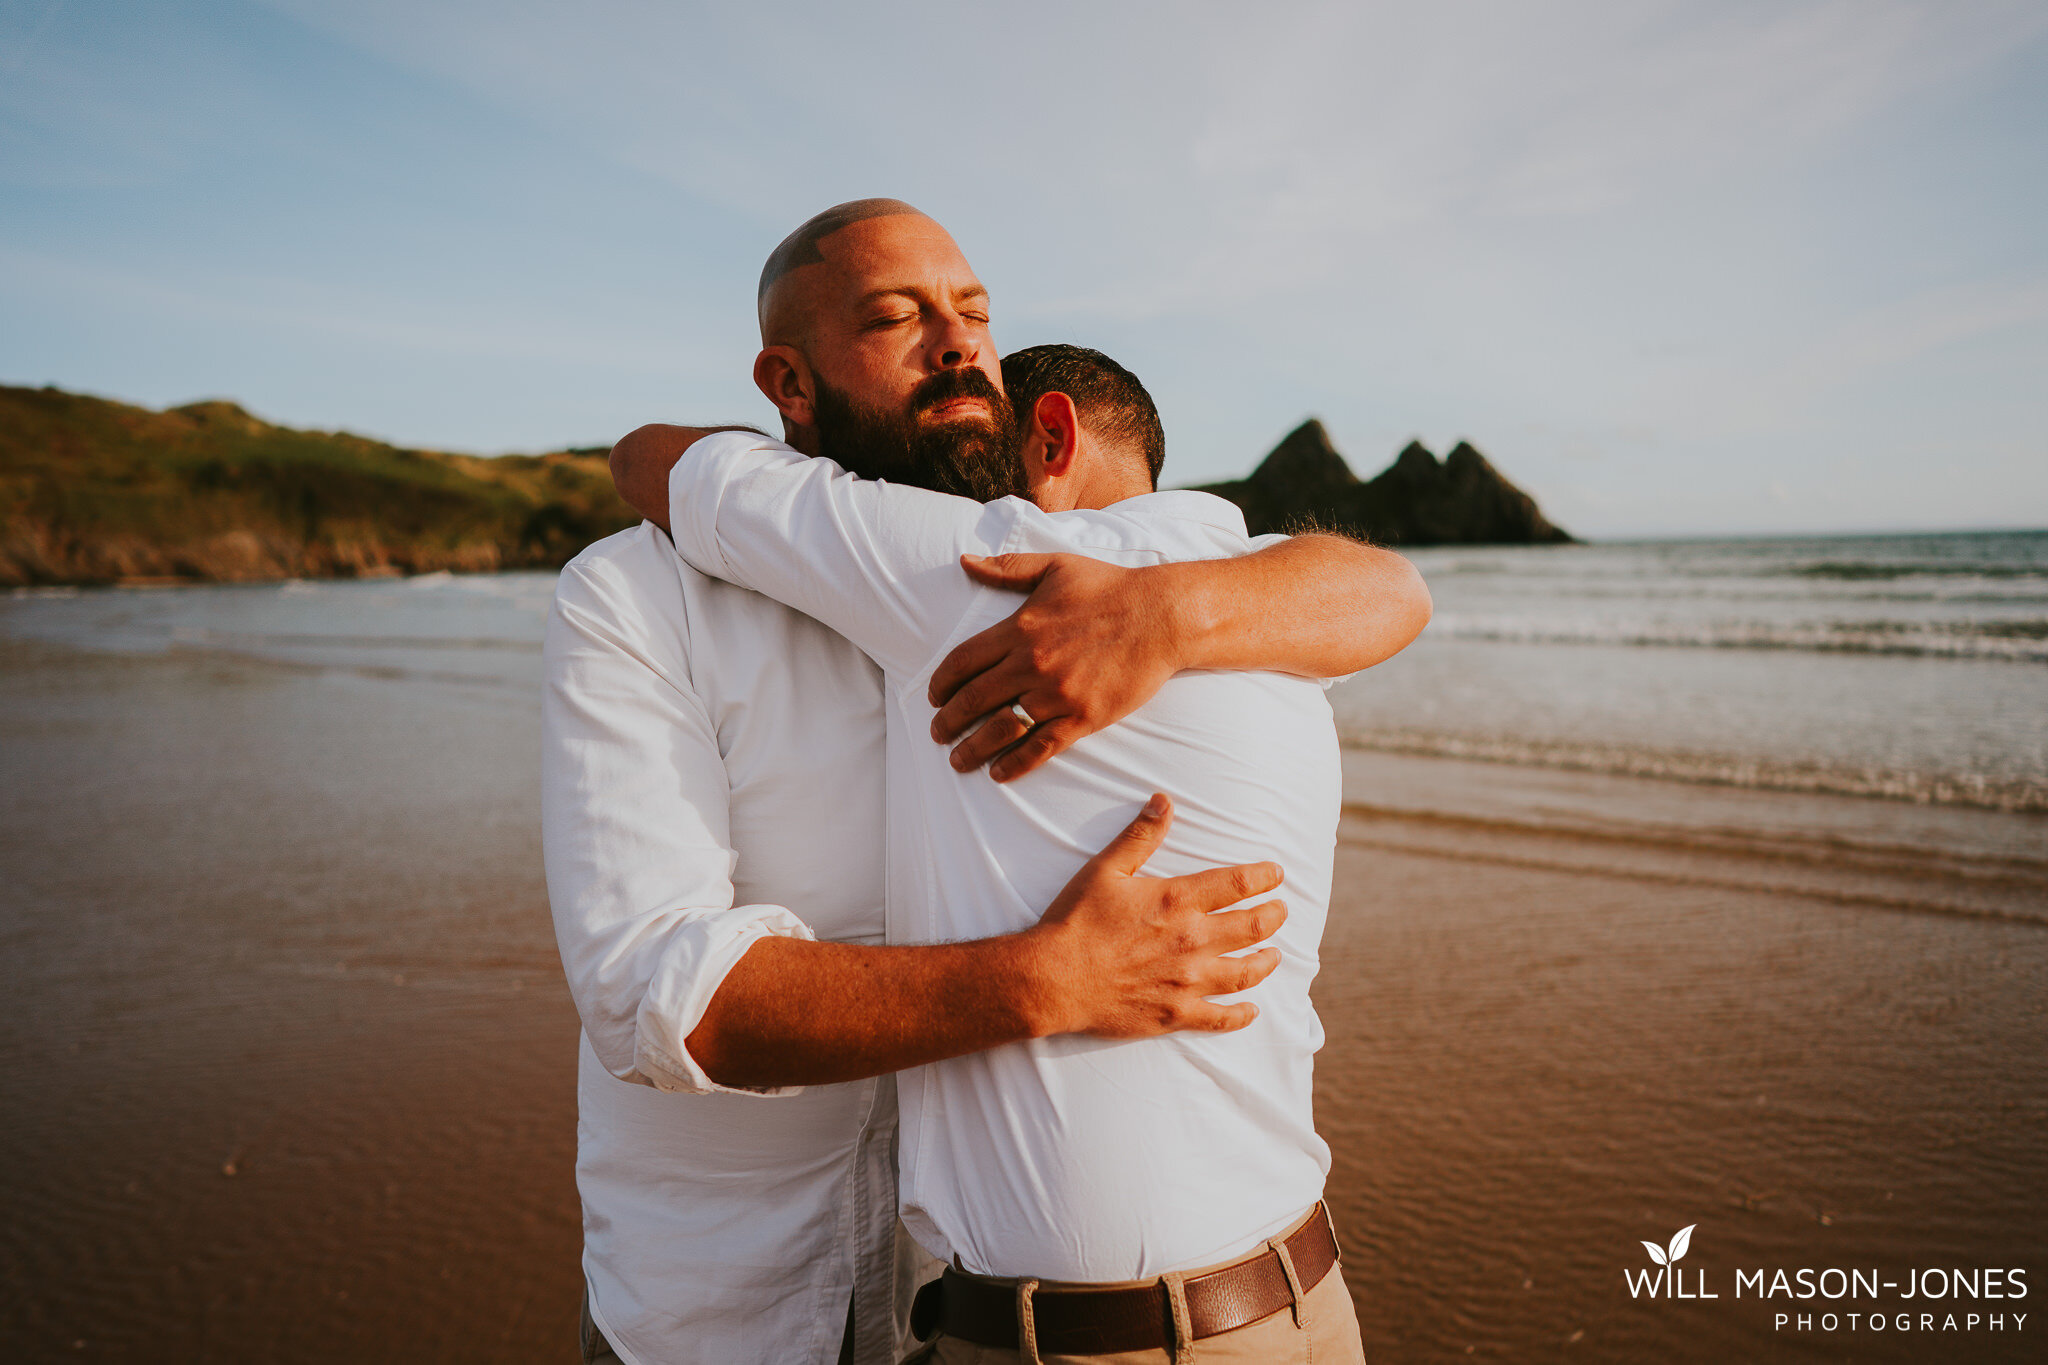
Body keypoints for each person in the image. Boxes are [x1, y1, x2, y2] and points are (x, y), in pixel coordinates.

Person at [548, 200, 1429, 1364]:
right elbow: (656, 996)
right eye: (896, 317)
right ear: (789, 383)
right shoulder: (638, 593)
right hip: (725, 1321)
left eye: (972, 312)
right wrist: (1040, 981)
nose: (958, 342)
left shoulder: (1063, 582)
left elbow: (1386, 594)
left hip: (962, 1312)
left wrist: (1169, 613)